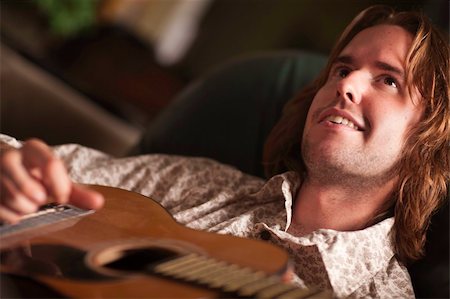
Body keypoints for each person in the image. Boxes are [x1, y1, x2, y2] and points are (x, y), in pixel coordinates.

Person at [0, 5, 448, 298]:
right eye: (342, 68)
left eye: (388, 79)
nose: (345, 84)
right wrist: (13, 167)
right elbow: (36, 165)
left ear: (430, 137)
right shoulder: (204, 183)